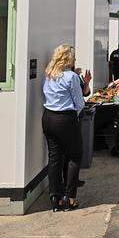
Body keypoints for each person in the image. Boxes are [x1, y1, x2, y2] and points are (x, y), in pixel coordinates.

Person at [41, 44, 90, 212]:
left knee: (54, 158)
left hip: (48, 117)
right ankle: (70, 198)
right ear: (69, 59)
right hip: (65, 118)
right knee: (74, 156)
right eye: (74, 58)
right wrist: (76, 116)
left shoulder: (48, 74)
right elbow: (79, 102)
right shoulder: (71, 77)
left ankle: (56, 199)